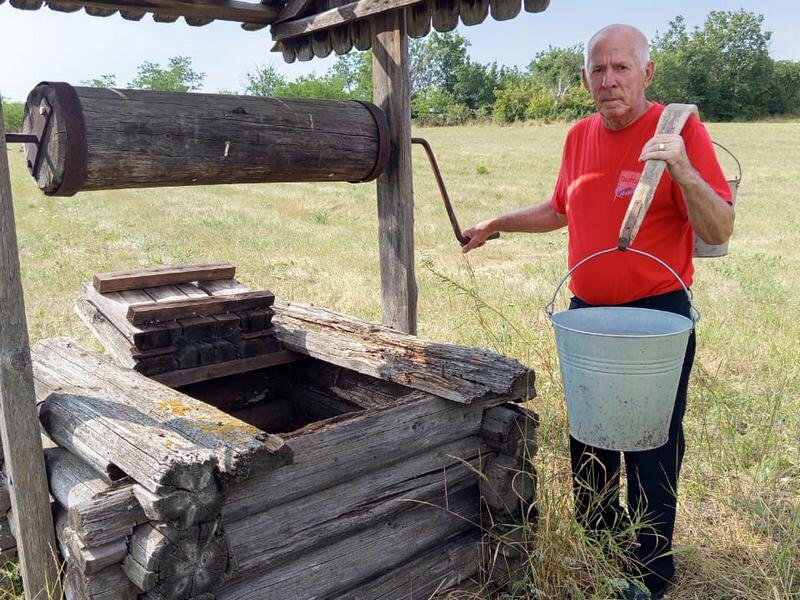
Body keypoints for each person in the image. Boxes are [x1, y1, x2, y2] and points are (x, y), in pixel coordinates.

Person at [462, 23, 735, 600]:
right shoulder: (578, 135)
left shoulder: (679, 129)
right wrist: (494, 224)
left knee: (651, 440)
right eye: (598, 70)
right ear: (585, 77)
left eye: (621, 68)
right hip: (586, 314)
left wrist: (682, 167)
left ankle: (651, 568)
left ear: (646, 72)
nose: (609, 81)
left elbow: (718, 226)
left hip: (657, 316)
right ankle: (602, 549)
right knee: (590, 439)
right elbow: (560, 207)